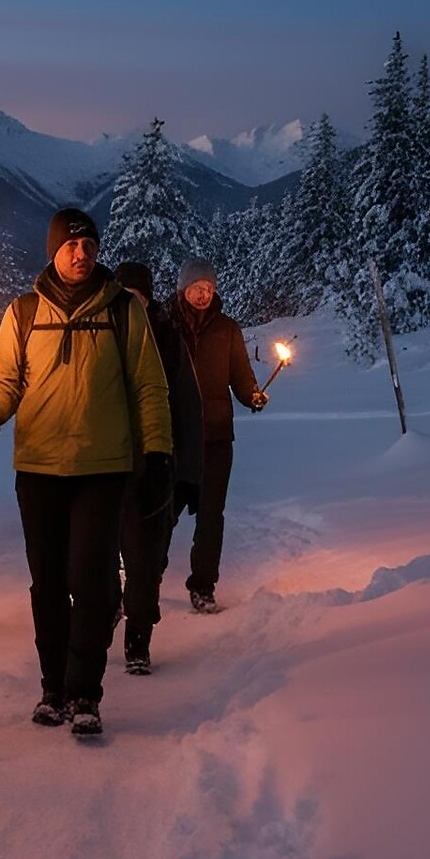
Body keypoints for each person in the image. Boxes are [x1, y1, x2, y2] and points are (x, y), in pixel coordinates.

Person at [0, 208, 172, 739]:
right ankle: (53, 687)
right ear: (53, 251)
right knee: (49, 585)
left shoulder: (124, 310)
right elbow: (4, 379)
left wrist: (158, 452)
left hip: (103, 468)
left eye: (89, 245)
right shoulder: (24, 312)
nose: (82, 254)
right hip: (38, 468)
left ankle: (86, 692)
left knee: (94, 583)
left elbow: (150, 386)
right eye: (71, 246)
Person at [109, 261, 203, 675]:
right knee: (103, 555)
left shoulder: (167, 338)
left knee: (148, 561)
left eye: (139, 297)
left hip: (155, 466)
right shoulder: (102, 336)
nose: (132, 304)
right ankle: (111, 607)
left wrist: (188, 476)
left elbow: (187, 408)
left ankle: (138, 639)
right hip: (106, 466)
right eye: (125, 297)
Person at [170, 257, 267, 614]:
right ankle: (144, 578)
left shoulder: (227, 329)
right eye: (197, 288)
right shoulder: (167, 326)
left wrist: (252, 394)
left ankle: (203, 586)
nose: (203, 295)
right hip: (175, 436)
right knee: (164, 513)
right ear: (184, 289)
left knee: (211, 514)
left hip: (215, 436)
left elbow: (240, 375)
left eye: (208, 289)